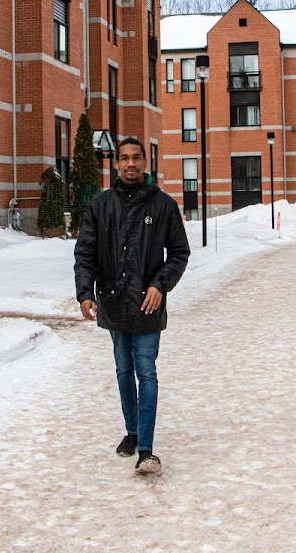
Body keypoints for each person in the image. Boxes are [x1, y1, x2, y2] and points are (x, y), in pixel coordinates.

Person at [74, 138, 190, 475]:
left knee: (147, 372)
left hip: (148, 306)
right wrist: (85, 292)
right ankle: (132, 431)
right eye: (124, 158)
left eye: (136, 158)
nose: (130, 164)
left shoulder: (164, 206)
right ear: (116, 164)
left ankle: (146, 449)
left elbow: (179, 253)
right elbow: (85, 253)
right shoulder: (101, 205)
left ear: (145, 161)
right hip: (113, 302)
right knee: (124, 371)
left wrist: (159, 284)